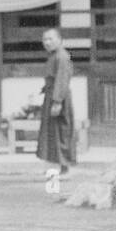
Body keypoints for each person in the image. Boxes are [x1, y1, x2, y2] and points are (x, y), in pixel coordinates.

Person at [37, 27, 76, 174]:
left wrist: (57, 101)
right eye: (44, 39)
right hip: (51, 96)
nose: (47, 42)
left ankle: (63, 166)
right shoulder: (53, 56)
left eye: (50, 39)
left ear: (59, 40)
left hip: (59, 98)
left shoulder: (62, 56)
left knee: (61, 132)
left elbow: (62, 79)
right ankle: (56, 165)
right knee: (52, 132)